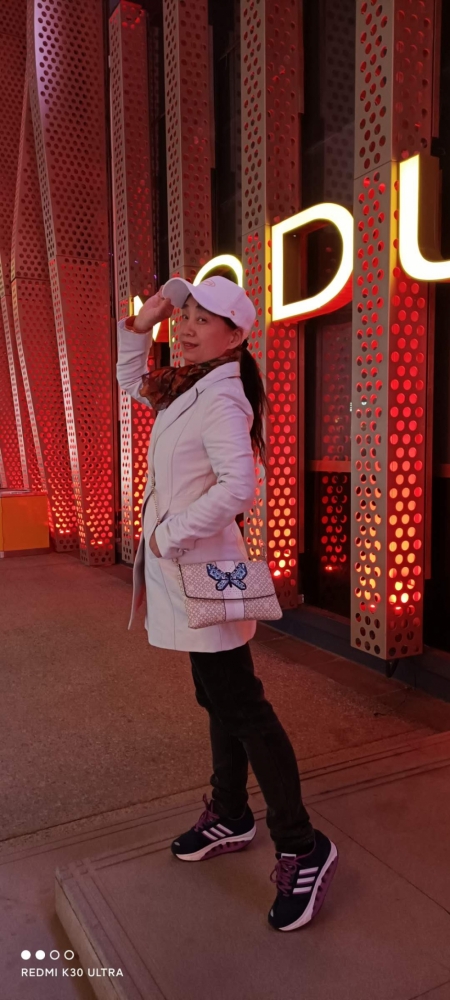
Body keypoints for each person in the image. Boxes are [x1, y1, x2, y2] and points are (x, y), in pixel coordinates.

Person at [116, 276, 338, 932]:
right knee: (218, 695)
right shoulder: (186, 383)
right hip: (200, 571)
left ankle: (302, 844)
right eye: (184, 314)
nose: (186, 327)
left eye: (202, 319)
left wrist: (168, 534)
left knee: (242, 705)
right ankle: (233, 813)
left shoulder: (221, 395)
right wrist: (142, 324)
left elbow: (241, 486)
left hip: (206, 569)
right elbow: (131, 381)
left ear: (235, 335)